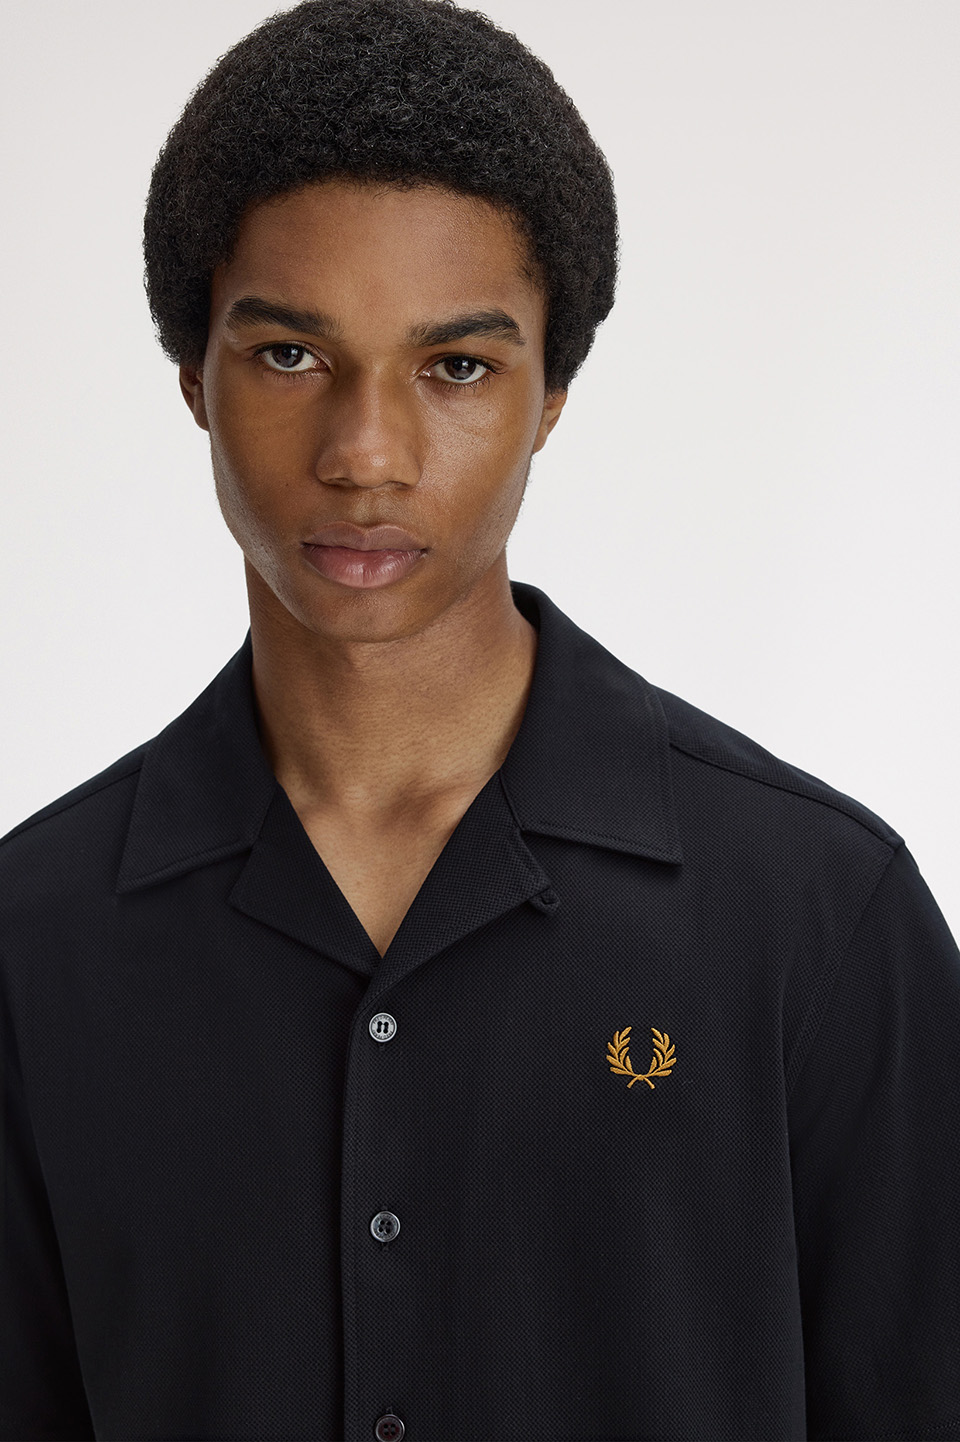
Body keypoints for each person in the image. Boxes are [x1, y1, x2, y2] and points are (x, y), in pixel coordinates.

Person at [1, 1, 958, 1438]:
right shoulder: (34, 941)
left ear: (551, 394)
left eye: (455, 366)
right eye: (290, 355)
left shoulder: (821, 914)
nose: (366, 454)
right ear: (193, 376)